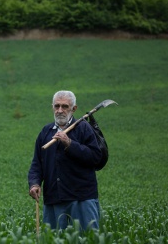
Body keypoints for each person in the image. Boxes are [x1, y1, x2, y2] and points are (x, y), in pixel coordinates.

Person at [28, 90, 102, 231]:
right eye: (57, 106)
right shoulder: (46, 132)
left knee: (86, 240)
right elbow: (37, 163)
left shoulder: (84, 128)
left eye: (65, 106)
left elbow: (95, 158)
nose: (60, 110)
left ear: (73, 109)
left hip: (81, 199)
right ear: (52, 107)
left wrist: (69, 143)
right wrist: (34, 183)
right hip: (53, 199)